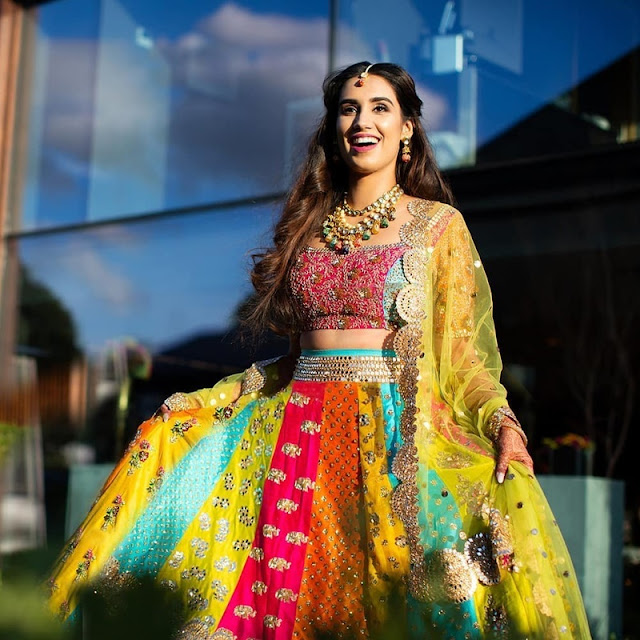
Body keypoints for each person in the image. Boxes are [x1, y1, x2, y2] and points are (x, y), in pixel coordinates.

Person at [46, 62, 591, 639]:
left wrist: (501, 421)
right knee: (274, 605)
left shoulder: (437, 227)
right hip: (291, 437)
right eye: (350, 109)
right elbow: (295, 360)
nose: (363, 121)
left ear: (408, 129)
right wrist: (209, 401)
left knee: (386, 609)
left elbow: (461, 357)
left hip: (390, 441)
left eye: (381, 107)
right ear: (334, 126)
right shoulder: (310, 225)